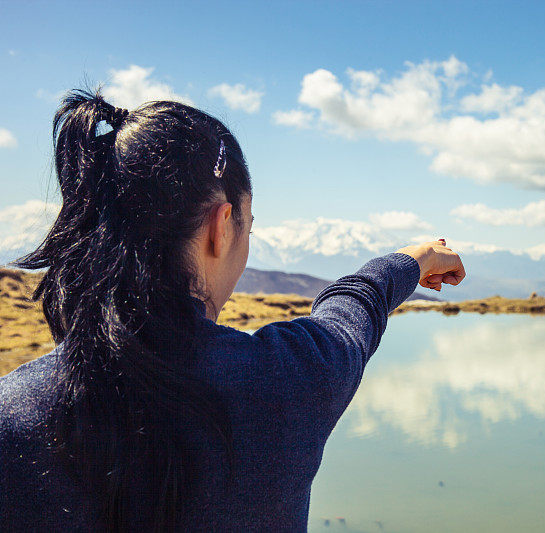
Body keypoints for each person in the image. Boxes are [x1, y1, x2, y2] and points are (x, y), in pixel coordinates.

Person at [0, 88, 466, 531]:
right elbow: (354, 307)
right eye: (249, 226)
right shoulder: (290, 380)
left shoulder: (11, 414)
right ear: (221, 227)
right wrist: (417, 257)